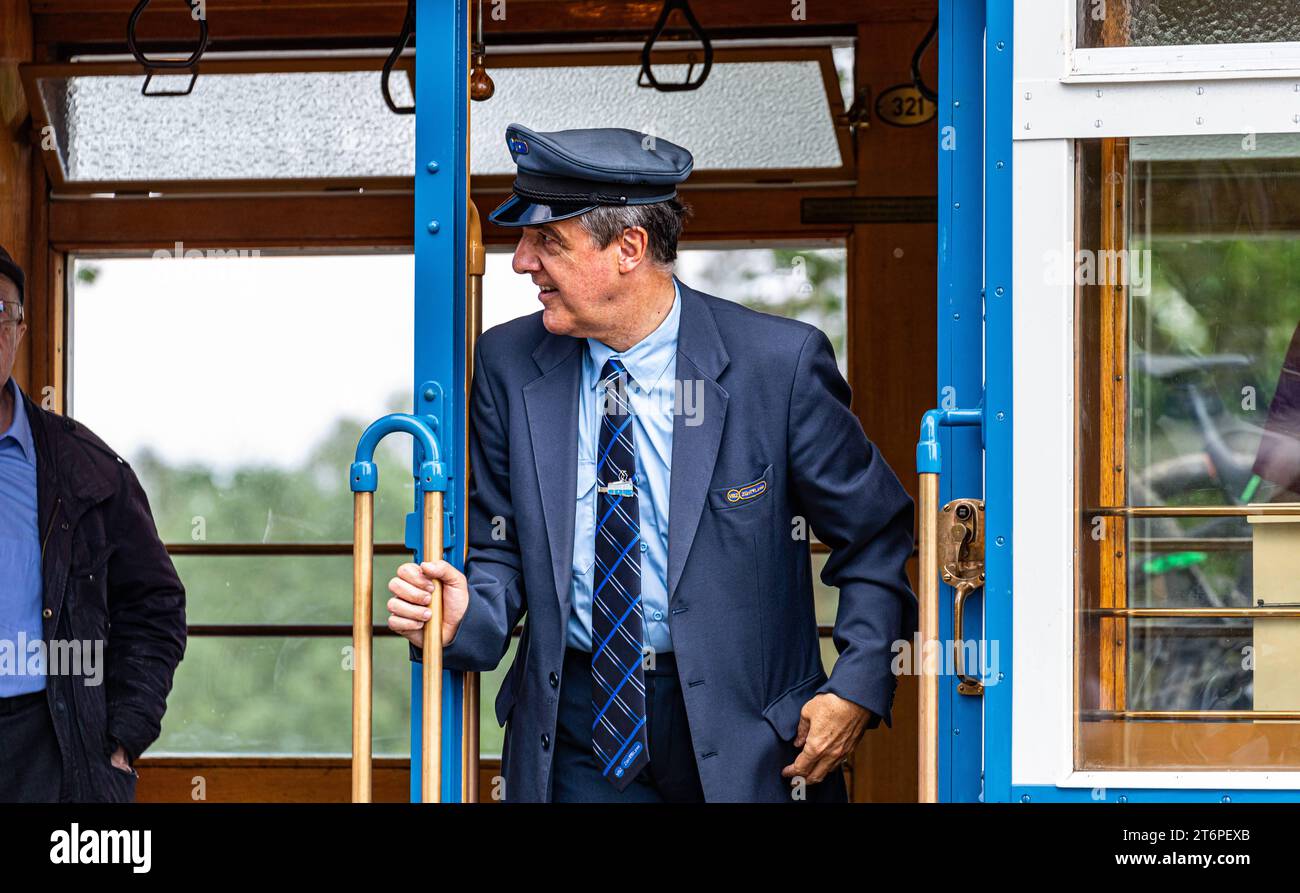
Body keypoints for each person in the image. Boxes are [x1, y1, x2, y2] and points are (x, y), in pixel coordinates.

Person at [386, 124, 916, 802]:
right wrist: (467, 616)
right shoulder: (505, 364)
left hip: (752, 741)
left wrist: (858, 685)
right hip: (575, 733)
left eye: (547, 240)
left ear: (629, 248)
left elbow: (875, 536)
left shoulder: (777, 366)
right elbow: (501, 551)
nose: (521, 262)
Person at [0, 245, 186, 802]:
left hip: (52, 745)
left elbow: (155, 603)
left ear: (19, 330)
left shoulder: (87, 468)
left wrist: (123, 736)